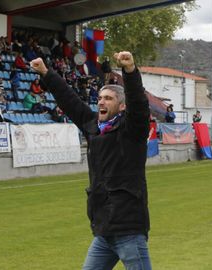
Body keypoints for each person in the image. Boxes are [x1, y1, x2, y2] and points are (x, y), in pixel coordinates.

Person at [30, 51, 152, 270]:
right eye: (100, 98)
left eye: (108, 98)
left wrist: (130, 71)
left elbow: (138, 103)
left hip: (128, 229)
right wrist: (46, 73)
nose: (101, 102)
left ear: (122, 106)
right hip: (104, 230)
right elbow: (70, 101)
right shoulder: (93, 127)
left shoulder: (132, 130)